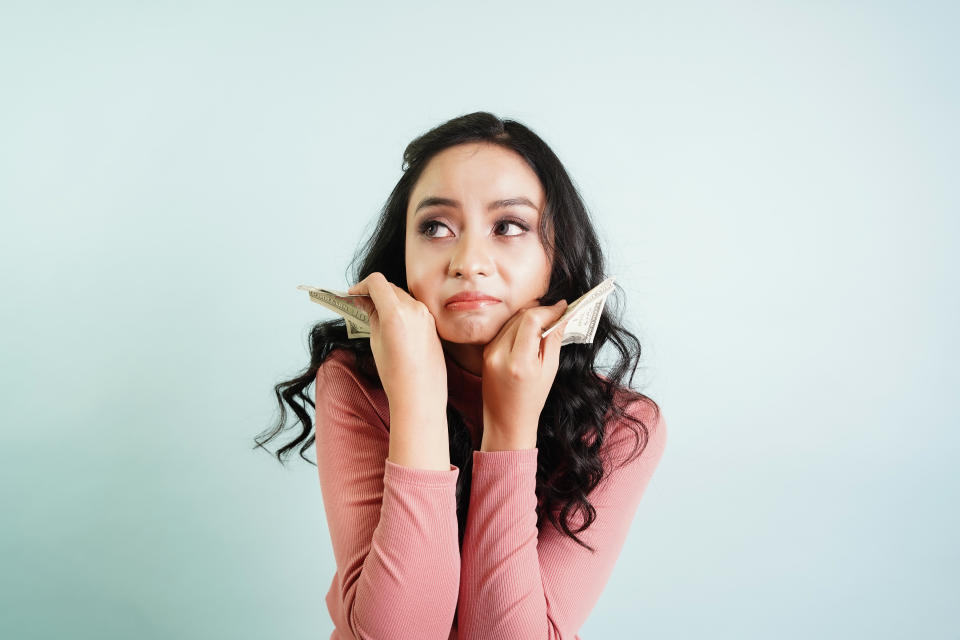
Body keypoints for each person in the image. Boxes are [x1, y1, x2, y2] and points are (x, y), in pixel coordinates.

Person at [255, 111, 668, 640]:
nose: (468, 261)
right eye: (436, 228)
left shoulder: (623, 426)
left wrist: (509, 429)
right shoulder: (356, 380)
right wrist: (419, 403)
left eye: (509, 226)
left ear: (556, 253)